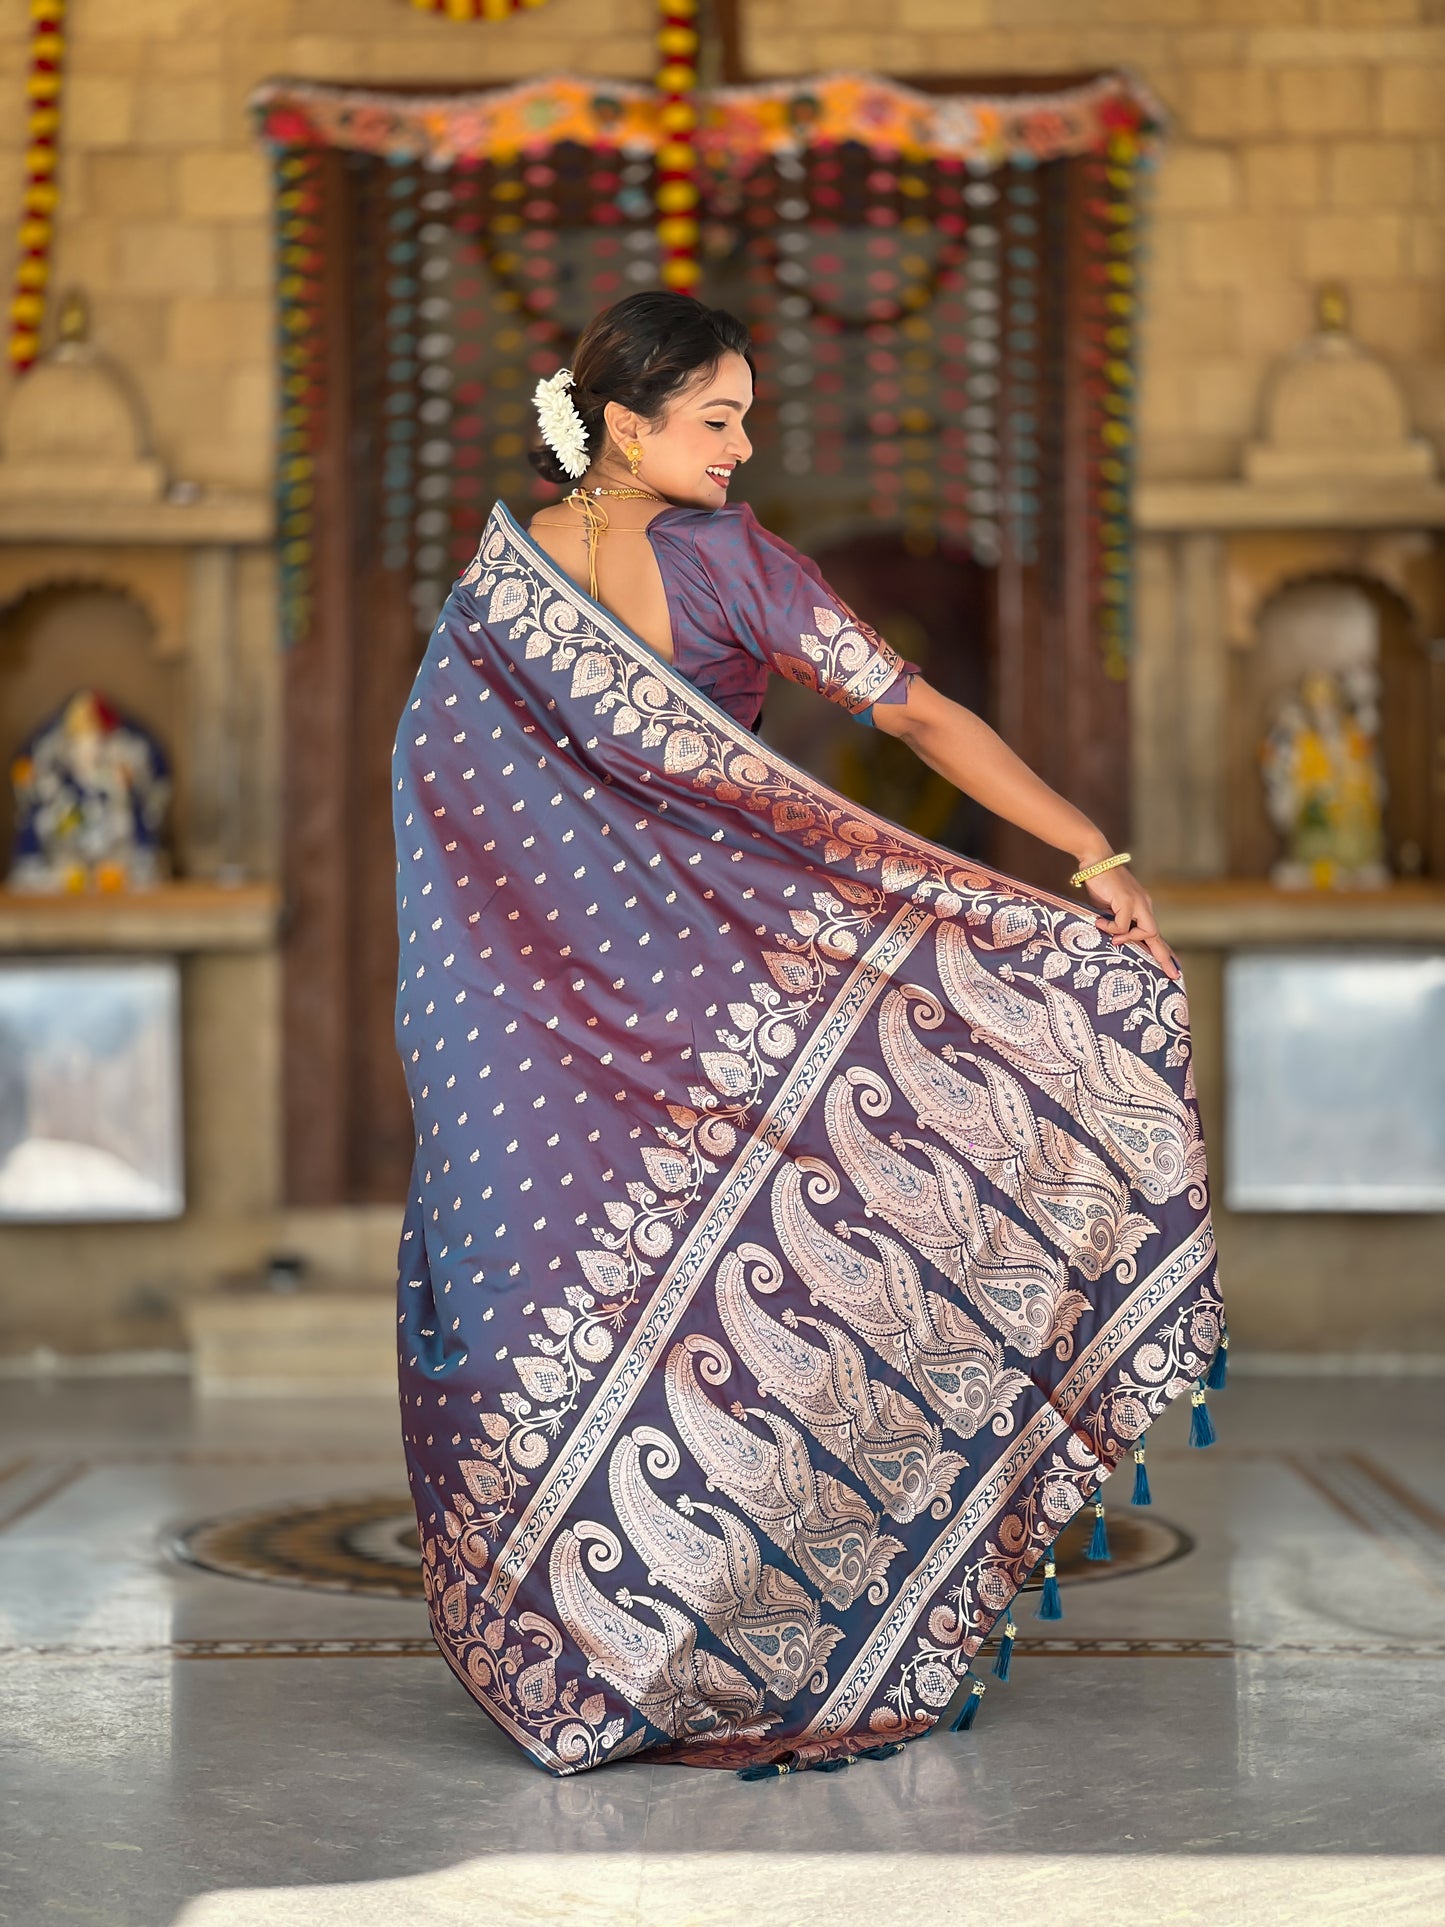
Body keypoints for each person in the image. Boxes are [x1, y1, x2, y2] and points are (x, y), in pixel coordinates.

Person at [392, 290, 1223, 1779]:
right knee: (743, 1314)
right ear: (627, 426)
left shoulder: (496, 580)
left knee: (595, 1319)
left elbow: (442, 799)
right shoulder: (717, 561)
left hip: (560, 1022)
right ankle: (731, 1641)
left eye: (745, 415)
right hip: (710, 1005)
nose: (742, 443)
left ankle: (603, 1667)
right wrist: (1092, 858)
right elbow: (910, 715)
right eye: (716, 418)